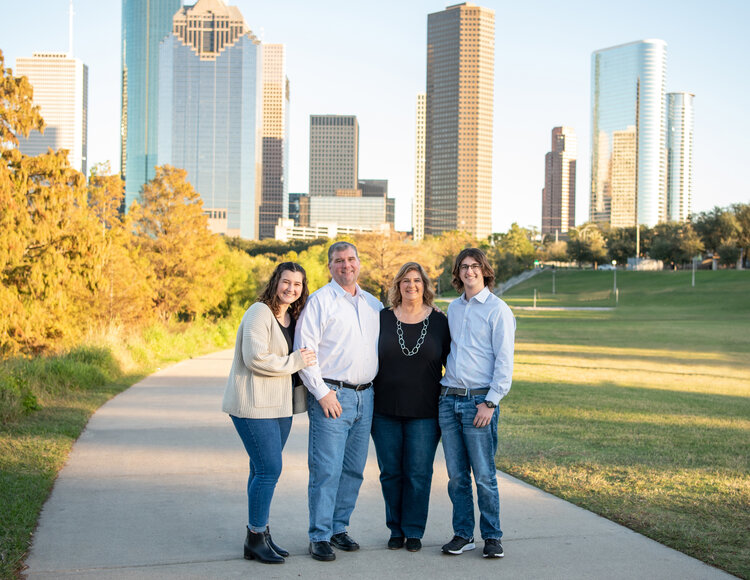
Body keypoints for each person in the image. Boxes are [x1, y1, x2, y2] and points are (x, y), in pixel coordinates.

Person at [222, 262, 317, 564]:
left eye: (297, 284)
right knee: (269, 470)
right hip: (254, 404)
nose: (291, 288)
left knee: (260, 469)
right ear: (276, 282)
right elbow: (255, 358)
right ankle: (255, 536)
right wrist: (295, 361)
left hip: (281, 406)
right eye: (286, 282)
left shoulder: (292, 316)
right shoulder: (258, 312)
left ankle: (260, 534)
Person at [294, 241, 383, 562]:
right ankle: (318, 535)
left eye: (351, 259)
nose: (346, 265)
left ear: (359, 263)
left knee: (353, 470)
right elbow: (305, 352)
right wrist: (322, 393)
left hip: (366, 396)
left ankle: (338, 527)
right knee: (326, 470)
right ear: (330, 267)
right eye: (338, 261)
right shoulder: (319, 302)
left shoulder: (373, 304)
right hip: (332, 395)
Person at [438, 248, 515, 559]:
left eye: (474, 266)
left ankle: (492, 536)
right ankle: (463, 534)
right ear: (458, 273)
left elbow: (505, 362)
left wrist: (491, 402)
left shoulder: (498, 310)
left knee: (483, 474)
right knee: (456, 476)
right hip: (448, 400)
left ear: (485, 271)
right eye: (464, 267)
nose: (469, 271)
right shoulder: (452, 309)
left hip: (479, 403)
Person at [371, 262, 450, 553]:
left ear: (425, 285)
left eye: (417, 280)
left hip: (426, 413)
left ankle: (414, 530)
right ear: (397, 286)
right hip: (384, 411)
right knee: (390, 472)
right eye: (405, 280)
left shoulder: (441, 322)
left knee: (418, 473)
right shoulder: (381, 319)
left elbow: (454, 363)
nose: (411, 285)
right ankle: (396, 529)